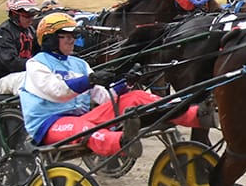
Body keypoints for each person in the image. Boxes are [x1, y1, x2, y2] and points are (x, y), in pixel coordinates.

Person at [20, 12, 200, 160]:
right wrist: (90, 80)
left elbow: (105, 97)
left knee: (136, 96)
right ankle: (122, 144)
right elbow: (57, 92)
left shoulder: (79, 64)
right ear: (50, 39)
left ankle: (196, 113)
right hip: (49, 124)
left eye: (74, 36)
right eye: (66, 36)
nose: (72, 40)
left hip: (83, 117)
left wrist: (126, 83)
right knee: (85, 129)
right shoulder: (37, 64)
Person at [0, 0, 39, 95]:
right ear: (15, 15)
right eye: (27, 16)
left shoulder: (30, 30)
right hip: (1, 79)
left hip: (20, 74)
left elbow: (39, 51)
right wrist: (36, 65)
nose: (31, 19)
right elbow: (12, 63)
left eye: (33, 15)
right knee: (32, 79)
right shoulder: (4, 32)